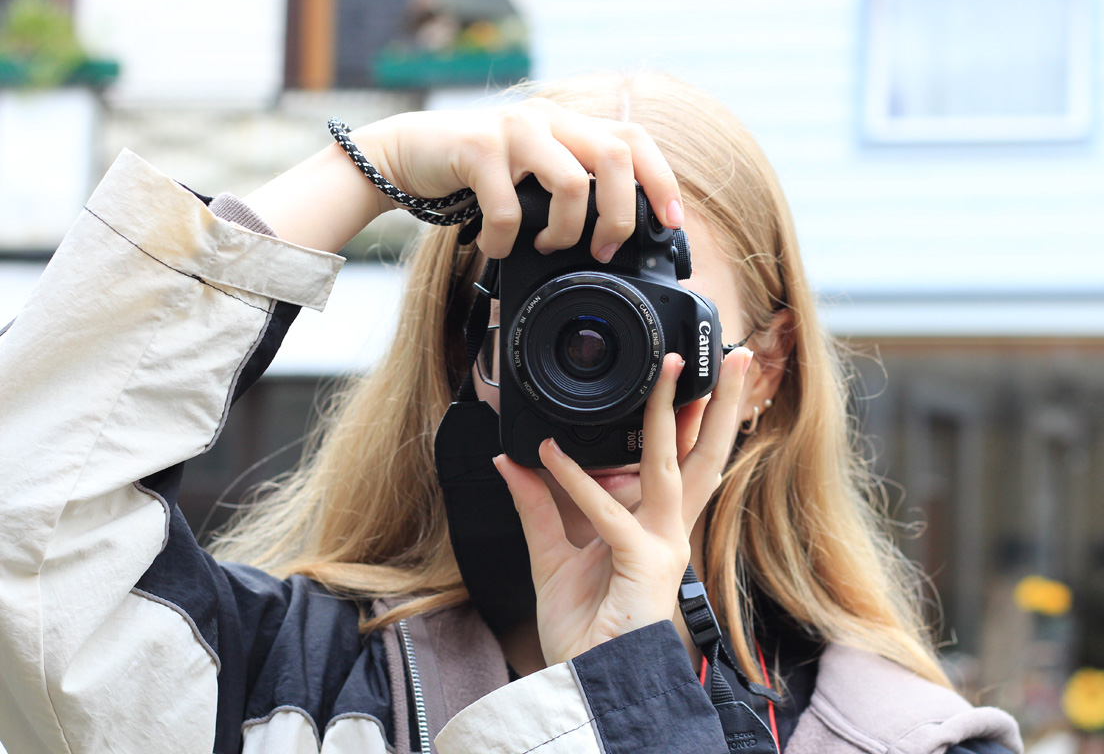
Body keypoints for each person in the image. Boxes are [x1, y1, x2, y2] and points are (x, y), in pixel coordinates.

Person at [0, 71, 1021, 754]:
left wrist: (630, 687)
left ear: (767, 372)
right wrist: (369, 168)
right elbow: (28, 526)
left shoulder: (904, 737)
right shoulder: (280, 684)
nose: (607, 364)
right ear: (472, 355)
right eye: (557, 318)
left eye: (663, 320)